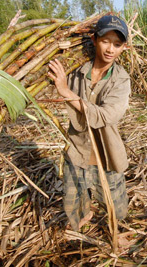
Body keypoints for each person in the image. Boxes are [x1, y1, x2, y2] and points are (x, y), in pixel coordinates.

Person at [48, 15, 130, 231]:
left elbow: (105, 117)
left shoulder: (121, 79)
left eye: (117, 44)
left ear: (124, 48)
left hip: (107, 155)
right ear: (94, 40)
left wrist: (66, 92)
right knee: (73, 203)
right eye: (105, 41)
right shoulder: (75, 71)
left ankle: (114, 231)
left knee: (116, 209)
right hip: (77, 152)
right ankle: (82, 219)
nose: (110, 49)